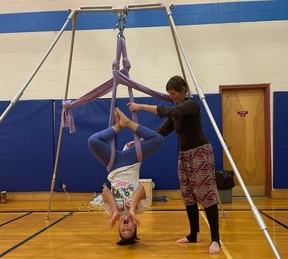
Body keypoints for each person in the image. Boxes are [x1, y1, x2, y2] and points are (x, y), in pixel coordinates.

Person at [127, 75, 221, 253]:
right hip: (184, 156)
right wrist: (139, 140)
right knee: (188, 195)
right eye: (169, 94)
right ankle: (194, 234)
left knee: (206, 194)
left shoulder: (190, 105)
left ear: (183, 90)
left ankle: (216, 239)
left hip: (200, 153)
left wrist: (140, 107)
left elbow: (168, 111)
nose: (172, 97)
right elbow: (160, 132)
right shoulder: (177, 109)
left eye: (174, 93)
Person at [88, 107, 163, 245]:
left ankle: (118, 126)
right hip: (132, 162)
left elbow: (105, 191)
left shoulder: (111, 212)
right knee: (157, 140)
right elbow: (141, 188)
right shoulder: (140, 209)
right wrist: (133, 208)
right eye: (130, 230)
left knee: (93, 141)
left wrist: (116, 211)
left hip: (113, 165)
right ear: (135, 226)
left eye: (123, 231)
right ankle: (128, 123)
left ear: (118, 227)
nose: (126, 228)